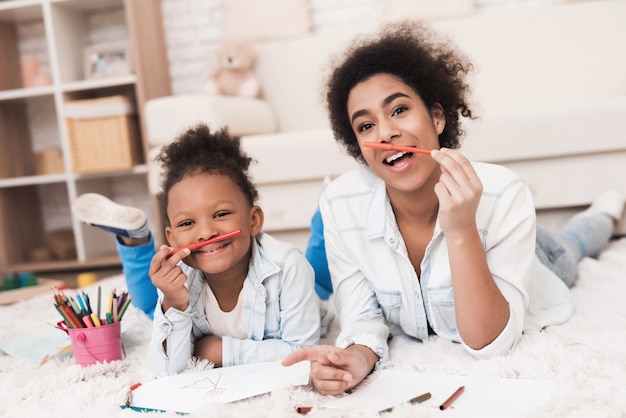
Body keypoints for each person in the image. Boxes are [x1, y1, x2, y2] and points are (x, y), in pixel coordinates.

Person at [282, 21, 625, 395]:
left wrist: (462, 231)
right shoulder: (340, 204)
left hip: (539, 256)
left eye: (398, 110)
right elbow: (361, 318)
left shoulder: (503, 193)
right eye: (365, 126)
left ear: (437, 117)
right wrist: (358, 358)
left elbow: (489, 344)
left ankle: (603, 214)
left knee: (572, 245)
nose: (384, 133)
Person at [73, 124, 321, 375]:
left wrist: (220, 352)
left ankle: (327, 207)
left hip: (310, 291)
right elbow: (167, 370)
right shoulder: (183, 276)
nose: (205, 233)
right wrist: (174, 302)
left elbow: (304, 352)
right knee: (147, 306)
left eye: (221, 214)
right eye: (187, 223)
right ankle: (137, 239)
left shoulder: (288, 267)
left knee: (318, 272)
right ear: (172, 238)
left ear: (253, 220)